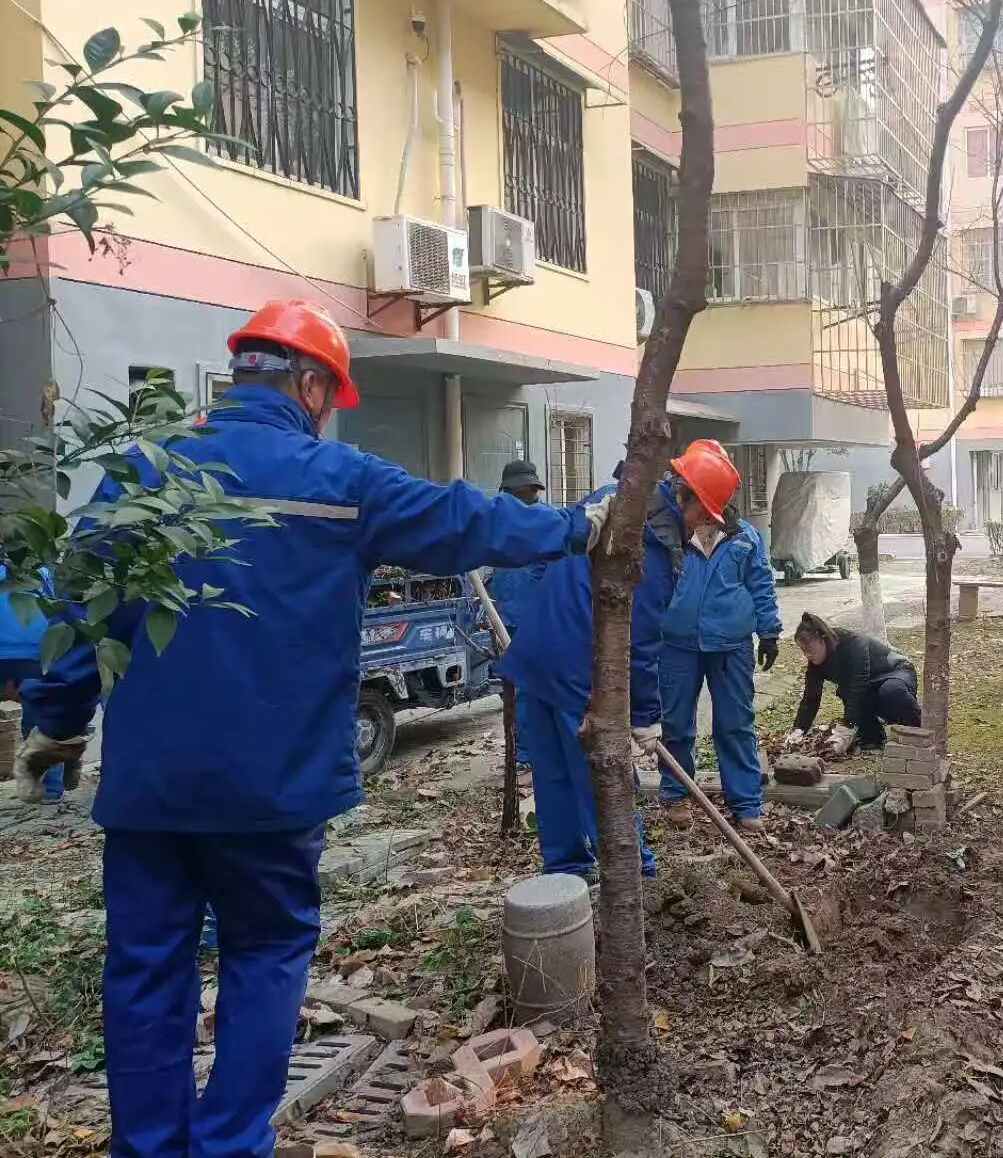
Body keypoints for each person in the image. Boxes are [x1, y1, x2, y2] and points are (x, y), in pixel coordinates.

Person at [19, 298, 613, 1158]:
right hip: (275, 788)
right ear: (305, 382)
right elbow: (464, 521)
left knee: (146, 971)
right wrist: (573, 527)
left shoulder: (142, 476)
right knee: (262, 959)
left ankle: (148, 1148)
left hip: (151, 789)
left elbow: (79, 619)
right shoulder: (339, 482)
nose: (327, 412)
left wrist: (61, 726)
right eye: (327, 396)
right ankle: (229, 1146)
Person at [497, 463, 675, 882]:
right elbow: (643, 640)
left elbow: (548, 557)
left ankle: (566, 868)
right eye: (704, 514)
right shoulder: (654, 550)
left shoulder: (602, 498)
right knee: (603, 771)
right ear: (685, 499)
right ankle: (636, 873)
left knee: (552, 770)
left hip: (536, 652)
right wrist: (647, 716)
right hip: (577, 666)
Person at [655, 441, 782, 833]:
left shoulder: (744, 537)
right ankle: (677, 795)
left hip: (731, 646)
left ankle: (745, 804)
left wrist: (770, 631)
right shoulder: (668, 535)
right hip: (677, 644)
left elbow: (761, 583)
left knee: (735, 723)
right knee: (675, 722)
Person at [488, 460, 549, 768]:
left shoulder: (547, 522)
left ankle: (528, 754)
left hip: (537, 624)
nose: (527, 499)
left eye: (531, 492)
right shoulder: (497, 523)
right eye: (520, 493)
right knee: (514, 692)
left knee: (531, 691)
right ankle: (523, 751)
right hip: (505, 620)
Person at [790, 611, 920, 748]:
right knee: (845, 691)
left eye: (809, 648)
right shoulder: (815, 664)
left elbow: (859, 682)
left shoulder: (853, 642)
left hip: (897, 672)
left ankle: (919, 729)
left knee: (891, 691)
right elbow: (811, 698)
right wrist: (799, 730)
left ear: (822, 638)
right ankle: (873, 736)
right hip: (872, 684)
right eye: (803, 650)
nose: (807, 655)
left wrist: (847, 724)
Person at [1, 567, 63, 803]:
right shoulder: (39, 570)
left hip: (27, 652)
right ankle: (50, 789)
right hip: (35, 652)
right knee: (41, 722)